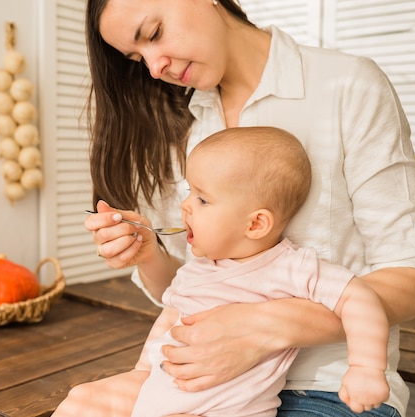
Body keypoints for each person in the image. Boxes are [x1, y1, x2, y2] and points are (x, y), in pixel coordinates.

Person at [56, 1, 415, 416]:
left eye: (153, 33)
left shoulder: (347, 85)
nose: (153, 67)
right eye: (136, 58)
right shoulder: (187, 121)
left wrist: (260, 329)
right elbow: (200, 282)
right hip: (195, 382)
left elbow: (410, 281)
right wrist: (148, 255)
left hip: (328, 389)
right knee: (82, 404)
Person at [55, 127, 391, 417]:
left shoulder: (288, 266)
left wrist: (365, 368)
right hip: (159, 391)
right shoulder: (200, 266)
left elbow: (359, 297)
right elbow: (171, 315)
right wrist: (141, 372)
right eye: (190, 192)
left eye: (202, 199)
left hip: (220, 409)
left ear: (256, 223)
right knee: (81, 399)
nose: (185, 205)